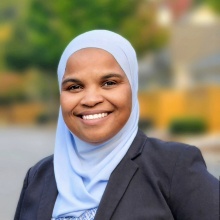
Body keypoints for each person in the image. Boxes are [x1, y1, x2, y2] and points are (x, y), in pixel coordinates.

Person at [14, 30, 219, 220]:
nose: (91, 99)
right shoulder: (39, 176)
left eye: (109, 83)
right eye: (75, 86)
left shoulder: (173, 167)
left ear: (133, 87)